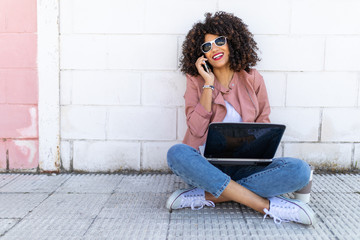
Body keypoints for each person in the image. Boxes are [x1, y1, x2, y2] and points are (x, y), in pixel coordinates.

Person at [166, 12, 316, 225]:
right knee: (176, 153)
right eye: (206, 47)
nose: (214, 49)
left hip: (247, 166)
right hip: (207, 167)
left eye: (219, 41)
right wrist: (208, 83)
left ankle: (208, 196)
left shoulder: (253, 78)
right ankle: (266, 206)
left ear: (232, 42)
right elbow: (197, 130)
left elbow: (264, 123)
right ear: (202, 56)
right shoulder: (195, 81)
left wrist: (252, 144)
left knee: (300, 170)